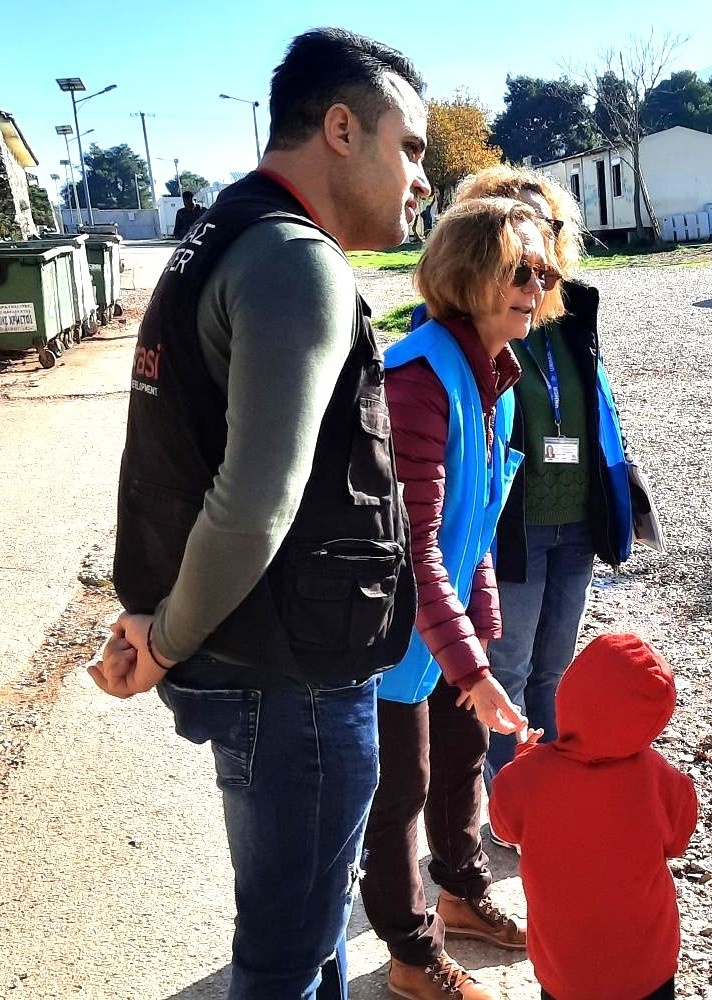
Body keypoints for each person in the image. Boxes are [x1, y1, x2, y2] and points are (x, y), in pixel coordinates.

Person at [90, 27, 429, 1000]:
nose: (417, 177)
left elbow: (184, 459)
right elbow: (251, 502)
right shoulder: (294, 263)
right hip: (296, 684)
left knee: (305, 931)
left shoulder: (219, 237)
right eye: (406, 145)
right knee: (280, 962)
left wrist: (164, 622)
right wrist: (162, 637)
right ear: (338, 127)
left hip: (257, 665)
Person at [360, 197, 565, 1000]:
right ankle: (412, 957)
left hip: (442, 633)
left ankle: (463, 894)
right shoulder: (418, 379)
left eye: (542, 271)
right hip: (389, 634)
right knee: (399, 793)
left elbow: (470, 533)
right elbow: (414, 547)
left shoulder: (498, 384)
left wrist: (476, 650)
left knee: (462, 765)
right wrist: (472, 665)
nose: (536, 286)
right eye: (519, 270)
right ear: (466, 273)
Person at [455, 165, 635, 793]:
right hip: (513, 523)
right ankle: (509, 798)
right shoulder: (467, 317)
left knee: (555, 667)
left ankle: (550, 792)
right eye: (518, 225)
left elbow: (595, 403)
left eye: (548, 227)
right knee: (508, 662)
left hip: (576, 515)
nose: (537, 242)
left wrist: (619, 484)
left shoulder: (575, 308)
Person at [489, 634, 698, 1000]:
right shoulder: (660, 777)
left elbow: (504, 827)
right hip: (647, 967)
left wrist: (523, 757)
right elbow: (678, 840)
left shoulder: (527, 777)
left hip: (565, 971)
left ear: (568, 693)